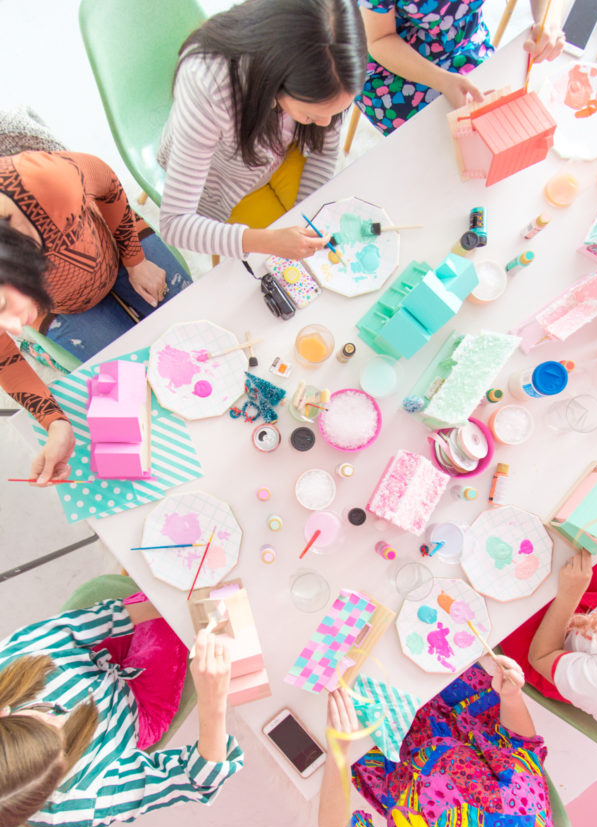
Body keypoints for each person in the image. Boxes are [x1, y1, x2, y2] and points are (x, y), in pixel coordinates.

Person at [0, 150, 192, 485]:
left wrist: (134, 260)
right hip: (63, 304)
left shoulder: (43, 182)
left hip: (113, 246)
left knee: (195, 331)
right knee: (128, 391)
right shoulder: (18, 302)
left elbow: (105, 181)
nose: (16, 330)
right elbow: (5, 359)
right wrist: (54, 422)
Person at [0, 593, 243, 827]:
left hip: (94, 657)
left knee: (174, 593)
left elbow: (84, 624)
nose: (61, 718)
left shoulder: (7, 661)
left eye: (40, 715)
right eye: (62, 746)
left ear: (3, 712)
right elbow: (196, 780)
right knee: (196, 616)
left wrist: (170, 604)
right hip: (138, 707)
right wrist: (213, 702)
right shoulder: (80, 800)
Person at [319, 657, 552, 827]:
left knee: (322, 671)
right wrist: (512, 696)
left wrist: (339, 750)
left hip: (380, 749)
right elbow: (521, 745)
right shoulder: (524, 825)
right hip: (448, 701)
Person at [158, 0, 367, 260]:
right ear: (276, 80)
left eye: (335, 113)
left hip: (277, 152)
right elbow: (175, 223)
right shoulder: (208, 86)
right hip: (220, 180)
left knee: (332, 218)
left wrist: (306, 215)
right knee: (266, 267)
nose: (327, 124)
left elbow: (324, 151)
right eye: (312, 115)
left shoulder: (333, 58)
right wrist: (267, 241)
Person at [355, 0, 566, 135]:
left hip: (462, 37)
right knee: (433, 149)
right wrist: (443, 81)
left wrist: (549, 22)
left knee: (500, 128)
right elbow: (380, 40)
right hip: (390, 63)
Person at [502, 550, 597, 722]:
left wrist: (569, 594)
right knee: (585, 546)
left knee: (510, 582)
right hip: (589, 612)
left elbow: (541, 656)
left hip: (546, 647)